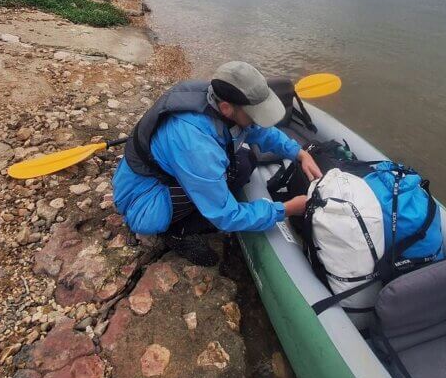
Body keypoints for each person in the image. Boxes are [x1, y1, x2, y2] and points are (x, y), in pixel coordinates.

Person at [112, 61, 322, 265]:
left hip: (175, 169)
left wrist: (299, 153)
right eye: (254, 114)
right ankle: (177, 232)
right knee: (219, 190)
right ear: (226, 108)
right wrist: (285, 209)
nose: (257, 120)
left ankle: (197, 209)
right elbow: (226, 216)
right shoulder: (196, 145)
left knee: (245, 161)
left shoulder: (219, 99)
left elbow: (259, 130)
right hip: (144, 199)